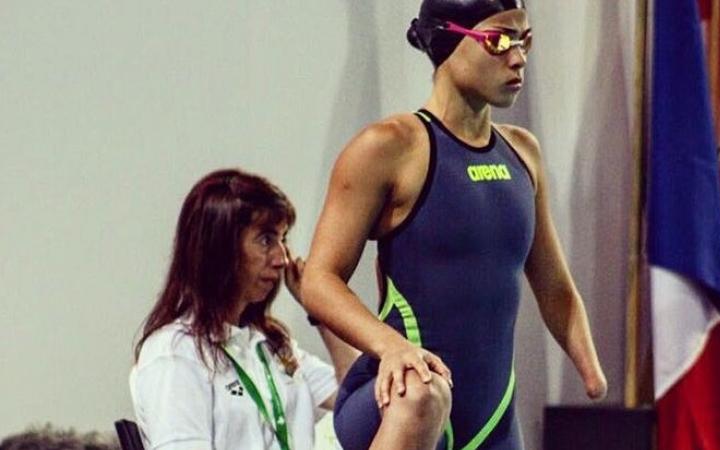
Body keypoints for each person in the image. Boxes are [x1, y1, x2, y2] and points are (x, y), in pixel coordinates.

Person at [301, 1, 608, 449]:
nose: (518, 57)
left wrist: (591, 370)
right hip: (397, 401)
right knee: (424, 393)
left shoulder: (523, 154)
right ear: (448, 38)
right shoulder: (389, 147)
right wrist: (391, 347)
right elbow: (318, 280)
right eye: (499, 40)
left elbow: (555, 288)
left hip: (493, 421)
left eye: (524, 40)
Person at [129, 169, 357, 450]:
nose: (282, 259)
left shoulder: (273, 346)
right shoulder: (174, 351)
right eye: (266, 240)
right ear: (219, 247)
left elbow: (361, 402)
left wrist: (320, 310)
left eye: (283, 239)